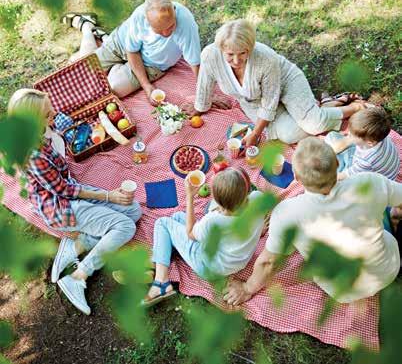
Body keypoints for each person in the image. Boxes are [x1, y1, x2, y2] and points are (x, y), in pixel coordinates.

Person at [8, 89, 142, 315]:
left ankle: (78, 244)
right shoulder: (34, 155)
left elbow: (67, 132)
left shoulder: (40, 130)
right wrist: (109, 196)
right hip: (60, 205)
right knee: (125, 226)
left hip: (69, 189)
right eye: (46, 113)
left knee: (134, 210)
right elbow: (64, 191)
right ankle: (78, 277)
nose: (53, 113)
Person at [223, 137, 402, 306]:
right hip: (387, 269)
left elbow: (268, 262)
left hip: (344, 291)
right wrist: (395, 216)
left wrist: (247, 288)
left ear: (296, 177)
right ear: (338, 164)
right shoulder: (370, 181)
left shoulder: (286, 213)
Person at [182, 19, 368, 146]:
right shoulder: (210, 55)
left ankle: (354, 108)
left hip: (286, 81)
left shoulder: (266, 59)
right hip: (254, 100)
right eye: (230, 55)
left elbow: (270, 101)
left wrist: (256, 133)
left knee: (313, 124)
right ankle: (324, 106)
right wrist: (200, 107)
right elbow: (204, 85)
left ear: (251, 48)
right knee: (288, 135)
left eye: (243, 53)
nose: (237, 61)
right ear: (221, 48)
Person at [143, 168, 266, 306]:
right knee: (176, 217)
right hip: (238, 260)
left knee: (163, 223)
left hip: (209, 266)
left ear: (219, 203)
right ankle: (161, 257)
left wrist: (189, 196)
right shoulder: (258, 198)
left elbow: (190, 233)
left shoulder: (213, 221)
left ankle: (161, 282)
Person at [61, 0, 201, 104]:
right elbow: (132, 51)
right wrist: (146, 86)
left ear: (174, 12)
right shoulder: (140, 16)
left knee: (111, 88)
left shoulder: (186, 24)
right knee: (82, 71)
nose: (166, 34)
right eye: (159, 30)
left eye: (171, 26)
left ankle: (102, 42)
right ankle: (87, 27)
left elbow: (196, 64)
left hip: (151, 64)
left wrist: (204, 97)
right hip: (122, 44)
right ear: (147, 21)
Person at [325, 106, 400, 181]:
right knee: (332, 136)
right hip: (378, 165)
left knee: (334, 166)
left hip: (370, 181)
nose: (348, 133)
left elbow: (346, 175)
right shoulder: (379, 135)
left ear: (370, 142)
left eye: (352, 134)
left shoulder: (367, 160)